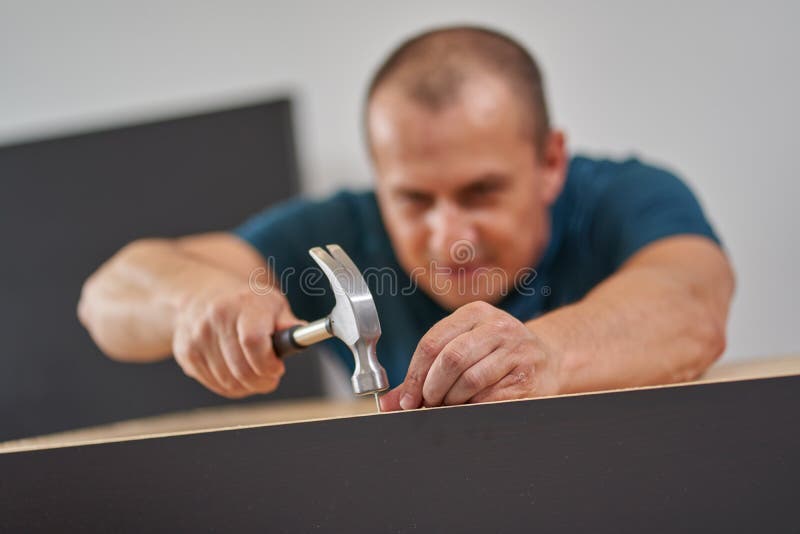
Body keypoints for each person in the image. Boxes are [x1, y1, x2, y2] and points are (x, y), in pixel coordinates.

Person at [77, 26, 734, 412]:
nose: (450, 239)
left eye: (481, 191)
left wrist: (544, 353)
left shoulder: (627, 196)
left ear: (550, 162)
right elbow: (106, 300)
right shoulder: (340, 232)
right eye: (414, 199)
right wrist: (201, 300)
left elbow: (690, 301)